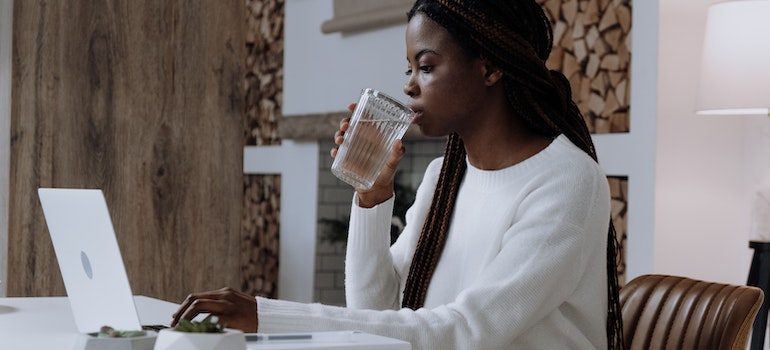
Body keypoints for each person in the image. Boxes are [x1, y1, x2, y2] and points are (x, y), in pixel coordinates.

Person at [171, 0, 624, 349]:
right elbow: (376, 314)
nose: (409, 85)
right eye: (409, 69)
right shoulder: (443, 177)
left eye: (426, 67)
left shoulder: (567, 182)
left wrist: (265, 316)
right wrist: (372, 197)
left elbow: (460, 332)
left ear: (490, 67)